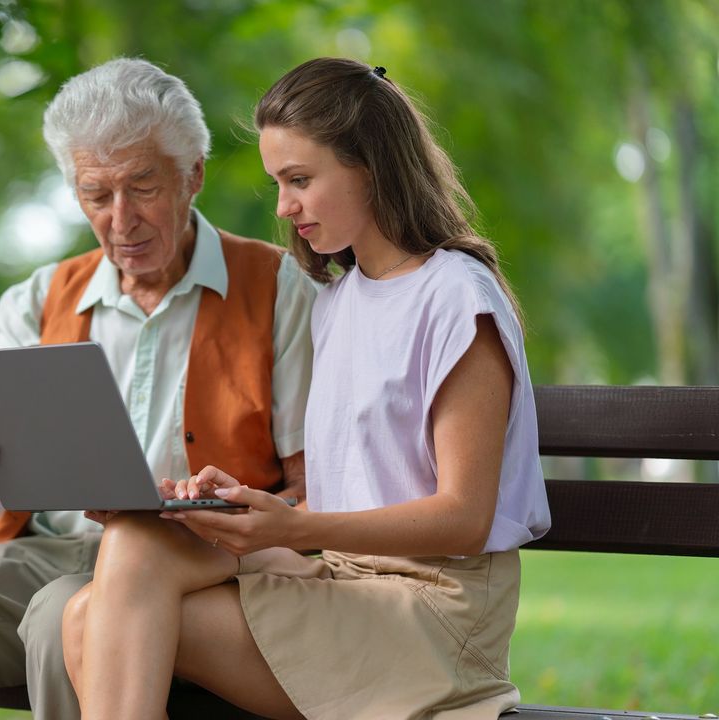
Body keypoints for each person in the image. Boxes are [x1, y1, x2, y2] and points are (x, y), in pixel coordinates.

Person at [61, 57, 552, 720]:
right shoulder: (337, 300)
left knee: (98, 620)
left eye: (299, 180)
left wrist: (296, 525)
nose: (285, 207)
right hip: (346, 582)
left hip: (434, 616)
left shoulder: (456, 298)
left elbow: (464, 518)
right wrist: (233, 504)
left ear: (370, 167)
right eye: (278, 183)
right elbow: (359, 483)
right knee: (129, 552)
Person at [0, 58, 318, 720]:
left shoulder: (280, 290)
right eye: (96, 194)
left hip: (192, 563)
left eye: (142, 187)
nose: (120, 219)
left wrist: (231, 511)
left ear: (194, 176)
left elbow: (311, 489)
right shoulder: (38, 298)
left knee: (60, 615)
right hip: (46, 550)